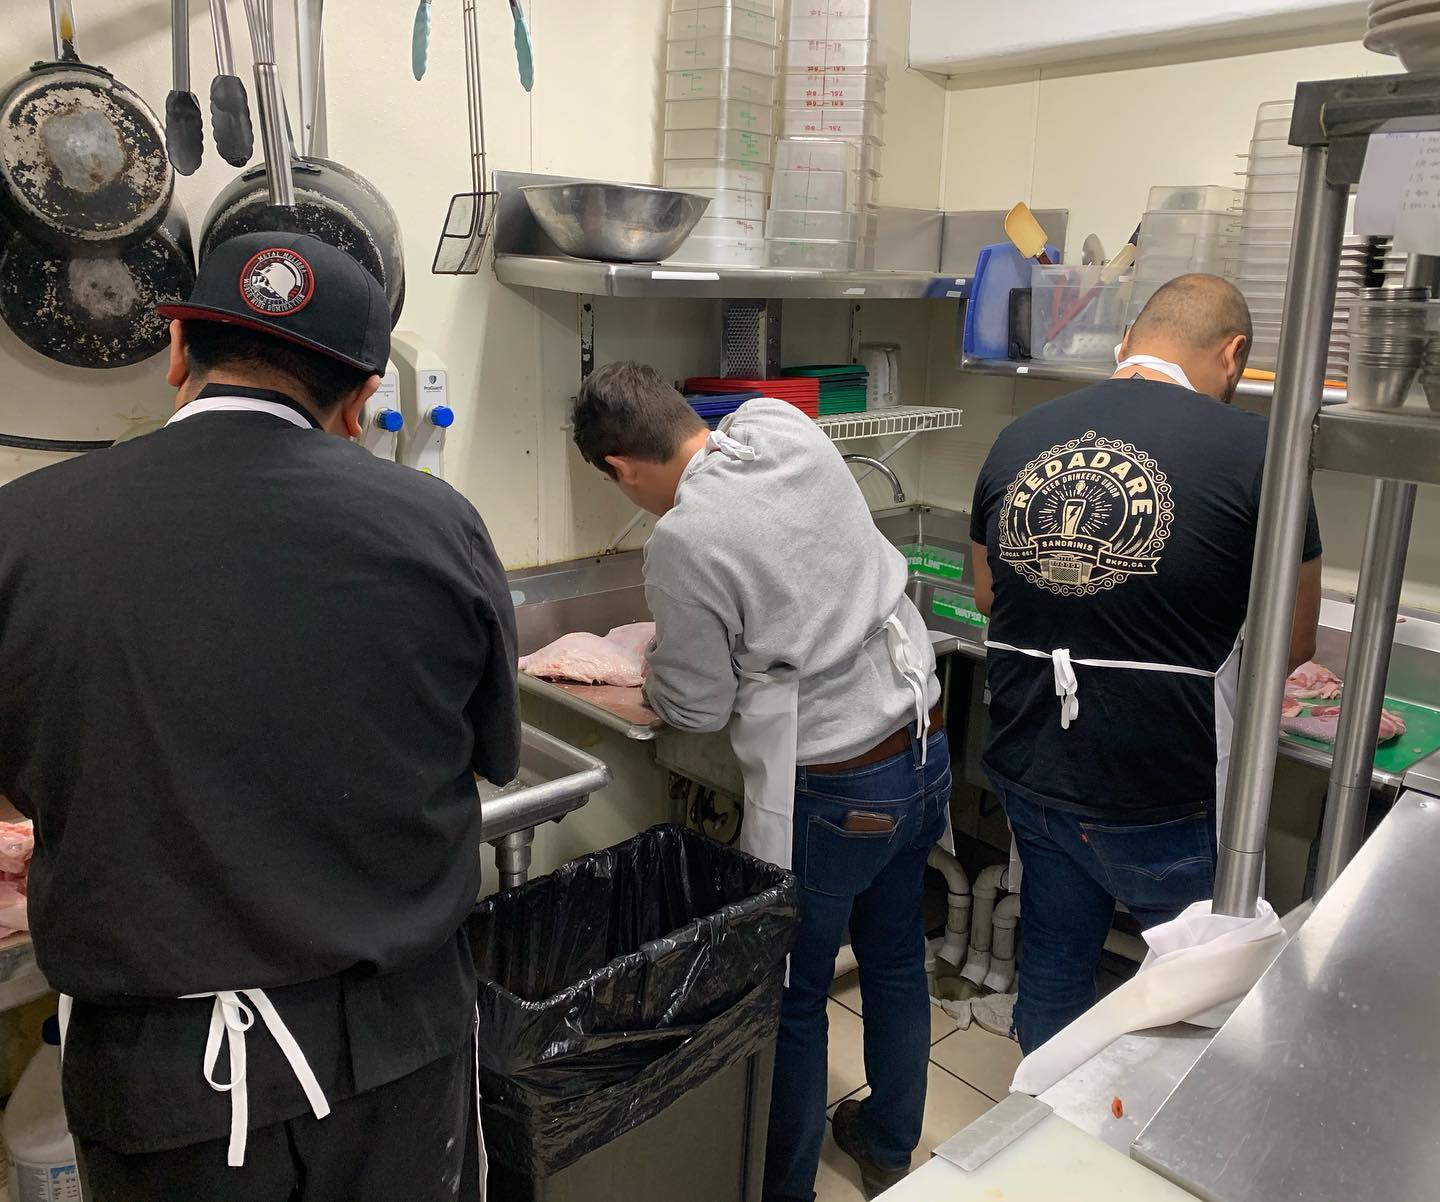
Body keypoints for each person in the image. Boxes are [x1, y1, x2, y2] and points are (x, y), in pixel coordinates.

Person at [0, 232, 520, 1199]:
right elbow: (491, 753)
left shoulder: (21, 531)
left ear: (177, 352)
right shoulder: (438, 524)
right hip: (394, 1048)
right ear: (363, 400)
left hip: (163, 1079)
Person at [571, 363, 951, 1202]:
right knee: (894, 957)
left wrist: (648, 661)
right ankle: (889, 1143)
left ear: (621, 468)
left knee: (794, 994)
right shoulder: (779, 426)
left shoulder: (683, 541)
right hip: (923, 742)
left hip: (839, 788)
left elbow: (696, 706)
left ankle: (784, 1192)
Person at [969, 273, 1323, 1054]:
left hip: (1034, 767)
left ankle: (1042, 1110)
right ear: (1232, 355)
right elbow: (1291, 642)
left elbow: (989, 593)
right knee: (1197, 998)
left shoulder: (1021, 436)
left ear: (1127, 341)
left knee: (1054, 967)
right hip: (1164, 789)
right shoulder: (1264, 450)